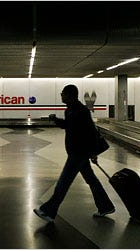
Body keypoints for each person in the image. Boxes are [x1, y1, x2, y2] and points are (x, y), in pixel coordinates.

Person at [33, 84, 115, 223]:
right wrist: (55, 120)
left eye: (63, 93)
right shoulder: (70, 110)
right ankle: (105, 206)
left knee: (64, 182)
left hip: (79, 153)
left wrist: (93, 152)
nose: (61, 95)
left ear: (70, 95)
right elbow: (69, 125)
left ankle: (49, 211)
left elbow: (91, 132)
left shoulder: (81, 111)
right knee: (91, 180)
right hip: (76, 152)